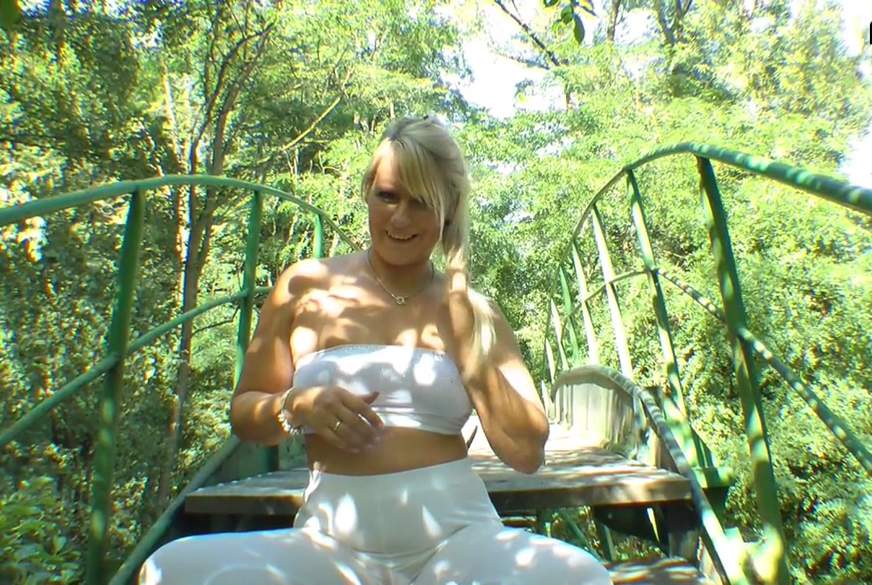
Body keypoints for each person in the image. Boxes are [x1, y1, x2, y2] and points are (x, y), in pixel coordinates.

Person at [139, 116, 612, 584]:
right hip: (329, 543)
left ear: (448, 211)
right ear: (368, 192)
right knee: (169, 570)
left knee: (580, 577)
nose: (400, 217)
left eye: (421, 202)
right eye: (388, 196)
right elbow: (245, 414)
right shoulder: (304, 287)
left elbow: (526, 453)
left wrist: (470, 347)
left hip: (459, 539)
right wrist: (294, 405)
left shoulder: (476, 310)